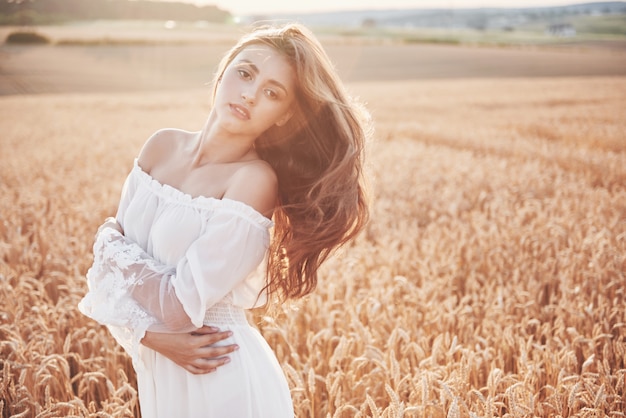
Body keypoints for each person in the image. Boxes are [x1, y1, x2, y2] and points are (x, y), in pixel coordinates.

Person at [78, 22, 370, 417]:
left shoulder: (253, 180)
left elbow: (177, 306)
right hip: (165, 370)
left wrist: (109, 242)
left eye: (272, 93)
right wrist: (150, 335)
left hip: (221, 374)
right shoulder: (161, 145)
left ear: (284, 116)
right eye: (245, 73)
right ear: (223, 70)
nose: (250, 94)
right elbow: (104, 282)